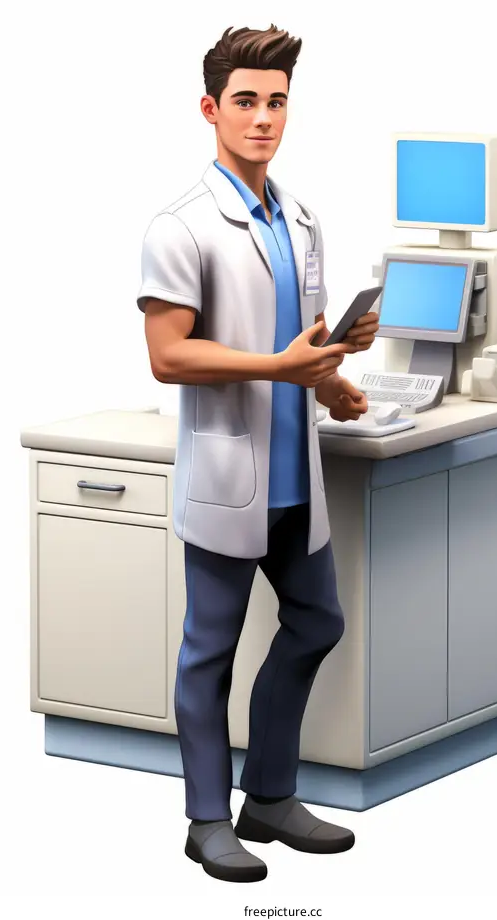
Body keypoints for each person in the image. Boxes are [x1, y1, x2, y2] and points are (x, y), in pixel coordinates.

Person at [137, 24, 379, 883]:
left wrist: (332, 375)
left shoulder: (300, 220)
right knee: (209, 650)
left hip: (291, 477)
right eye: (246, 100)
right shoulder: (182, 226)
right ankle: (207, 817)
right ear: (211, 108)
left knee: (318, 621)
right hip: (228, 475)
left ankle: (269, 797)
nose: (264, 117)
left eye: (277, 101)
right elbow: (169, 355)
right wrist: (279, 365)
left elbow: (296, 345)